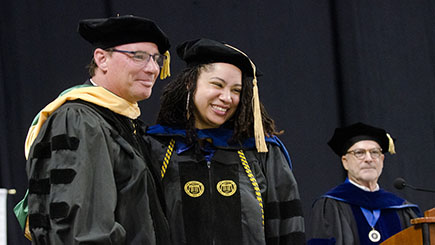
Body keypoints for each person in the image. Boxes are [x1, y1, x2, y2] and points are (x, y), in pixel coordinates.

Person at [13, 15, 172, 244]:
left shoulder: (125, 123)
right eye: (139, 57)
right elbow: (83, 230)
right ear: (102, 59)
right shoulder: (79, 121)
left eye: (157, 59)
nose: (152, 69)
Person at [142, 38, 305, 244]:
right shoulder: (157, 148)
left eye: (236, 90)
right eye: (217, 85)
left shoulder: (261, 153)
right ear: (190, 83)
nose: (227, 98)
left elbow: (287, 228)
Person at [307, 122, 421, 245]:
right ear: (345, 162)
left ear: (382, 160)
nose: (368, 159)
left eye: (374, 152)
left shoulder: (403, 209)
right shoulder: (330, 206)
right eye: (359, 153)